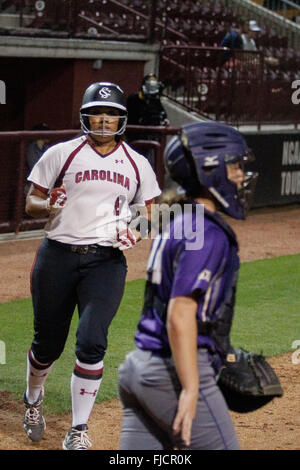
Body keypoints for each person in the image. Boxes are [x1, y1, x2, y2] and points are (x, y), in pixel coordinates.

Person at [23, 81, 161, 450]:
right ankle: (33, 398)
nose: (104, 120)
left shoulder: (137, 163)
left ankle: (78, 428)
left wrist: (137, 231)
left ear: (122, 119)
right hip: (57, 256)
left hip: (106, 262)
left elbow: (148, 215)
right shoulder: (61, 154)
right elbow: (30, 202)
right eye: (97, 114)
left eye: (112, 114)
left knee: (91, 341)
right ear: (85, 117)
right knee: (47, 344)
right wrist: (48, 205)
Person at [117, 120, 258, 450]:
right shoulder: (207, 231)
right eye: (235, 166)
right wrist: (192, 388)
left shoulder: (175, 219)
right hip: (174, 373)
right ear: (212, 171)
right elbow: (180, 314)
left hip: (138, 369)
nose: (241, 175)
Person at [126, 73, 169, 168]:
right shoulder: (135, 98)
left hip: (152, 136)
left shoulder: (155, 99)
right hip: (136, 135)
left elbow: (161, 113)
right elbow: (131, 116)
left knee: (152, 161)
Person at [24, 123, 50, 195]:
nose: (50, 135)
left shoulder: (47, 148)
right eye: (47, 132)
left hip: (47, 185)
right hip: (33, 186)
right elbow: (35, 167)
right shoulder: (31, 148)